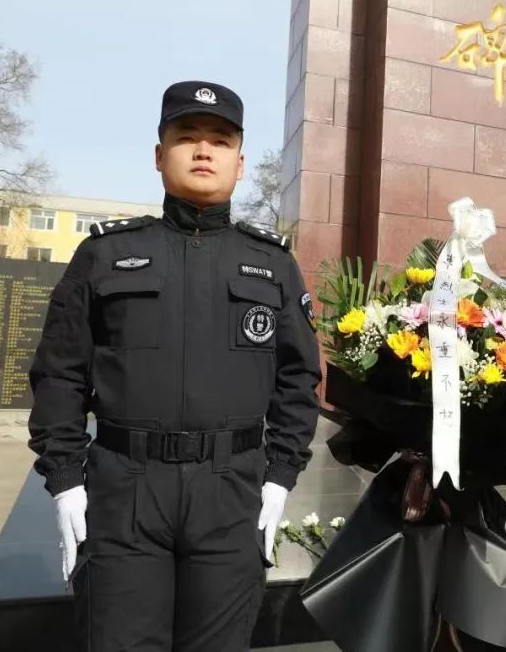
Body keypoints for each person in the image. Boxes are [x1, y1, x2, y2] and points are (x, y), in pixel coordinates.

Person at [27, 81, 321, 651]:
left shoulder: (272, 264)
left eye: (221, 140)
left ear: (240, 162)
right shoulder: (104, 254)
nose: (204, 150)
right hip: (126, 489)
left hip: (231, 491)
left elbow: (297, 377)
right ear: (160, 155)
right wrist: (64, 479)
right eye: (187, 137)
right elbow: (59, 373)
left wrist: (281, 474)